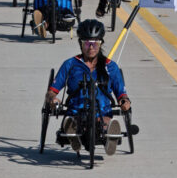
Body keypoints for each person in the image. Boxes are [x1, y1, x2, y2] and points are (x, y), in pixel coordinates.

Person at [45, 19, 131, 155]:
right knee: (72, 122)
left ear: (100, 43)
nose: (91, 47)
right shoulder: (70, 64)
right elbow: (51, 92)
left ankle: (110, 136)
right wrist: (53, 100)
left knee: (104, 122)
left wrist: (125, 101)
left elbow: (121, 93)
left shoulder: (110, 66)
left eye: (95, 43)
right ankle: (73, 134)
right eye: (87, 43)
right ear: (81, 44)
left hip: (102, 112)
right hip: (76, 112)